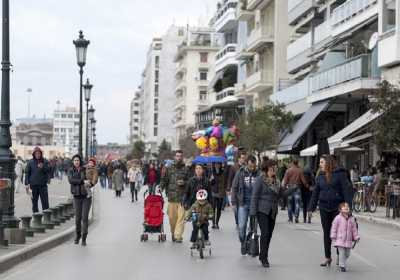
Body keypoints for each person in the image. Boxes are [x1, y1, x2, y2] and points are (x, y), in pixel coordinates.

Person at [309, 155, 353, 267]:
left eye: (322, 162)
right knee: (327, 233)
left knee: (339, 233)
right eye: (320, 162)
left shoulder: (340, 174)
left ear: (328, 163)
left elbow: (346, 191)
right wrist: (311, 208)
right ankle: (327, 257)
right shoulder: (320, 176)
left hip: (338, 208)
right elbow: (315, 193)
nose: (320, 164)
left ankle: (340, 256)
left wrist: (348, 207)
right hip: (324, 207)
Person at [250, 160, 296, 267]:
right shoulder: (260, 180)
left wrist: (292, 189)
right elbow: (255, 196)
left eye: (275, 169)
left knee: (269, 235)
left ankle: (263, 255)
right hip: (262, 210)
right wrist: (253, 212)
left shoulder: (277, 181)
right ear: (266, 170)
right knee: (265, 233)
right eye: (271, 169)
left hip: (273, 211)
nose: (274, 171)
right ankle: (264, 258)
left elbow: (281, 194)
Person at [231, 155, 260, 255]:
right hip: (243, 204)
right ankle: (243, 242)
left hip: (255, 205)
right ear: (247, 164)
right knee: (242, 226)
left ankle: (248, 243)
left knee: (252, 228)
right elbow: (234, 187)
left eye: (254, 166)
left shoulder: (259, 174)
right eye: (251, 166)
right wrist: (234, 202)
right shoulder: (240, 172)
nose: (252, 168)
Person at [160, 150, 189, 243]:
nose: (179, 158)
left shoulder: (186, 169)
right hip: (171, 198)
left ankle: (178, 236)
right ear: (174, 157)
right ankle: (173, 233)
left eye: (180, 156)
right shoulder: (169, 168)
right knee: (172, 219)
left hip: (182, 198)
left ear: (182, 157)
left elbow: (190, 182)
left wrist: (184, 182)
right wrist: (161, 187)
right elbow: (164, 180)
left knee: (181, 219)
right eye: (177, 156)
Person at [68, 154, 94, 246]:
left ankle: (84, 238)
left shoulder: (85, 169)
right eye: (75, 160)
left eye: (78, 160)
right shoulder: (70, 170)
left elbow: (91, 179)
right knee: (77, 218)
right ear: (73, 162)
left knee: (84, 218)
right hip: (76, 197)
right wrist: (82, 181)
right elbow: (71, 180)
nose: (76, 162)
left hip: (86, 196)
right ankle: (78, 235)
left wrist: (90, 183)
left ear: (80, 161)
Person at [330, 202, 360, 272]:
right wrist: (333, 235)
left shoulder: (352, 219)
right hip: (340, 239)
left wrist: (356, 237)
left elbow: (354, 229)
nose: (346, 207)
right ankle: (342, 265)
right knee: (342, 253)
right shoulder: (338, 218)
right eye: (344, 206)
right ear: (340, 210)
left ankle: (342, 261)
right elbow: (334, 227)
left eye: (347, 207)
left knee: (347, 254)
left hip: (348, 240)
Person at [24, 147, 51, 213]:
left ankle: (46, 217)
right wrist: (27, 183)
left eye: (39, 153)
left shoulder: (45, 161)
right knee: (34, 203)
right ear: (34, 154)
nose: (38, 155)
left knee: (45, 203)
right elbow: (27, 173)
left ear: (41, 154)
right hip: (33, 186)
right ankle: (36, 217)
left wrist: (43, 167)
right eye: (36, 153)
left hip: (43, 185)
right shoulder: (30, 162)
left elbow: (49, 170)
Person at [282, 158, 308, 223]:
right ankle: (296, 217)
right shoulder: (300, 171)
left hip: (290, 188)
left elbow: (285, 181)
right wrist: (307, 186)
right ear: (297, 163)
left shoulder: (288, 171)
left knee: (289, 204)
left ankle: (290, 218)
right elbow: (303, 181)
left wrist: (284, 189)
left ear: (292, 163)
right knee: (297, 204)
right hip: (297, 188)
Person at [227, 152, 247, 229]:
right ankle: (237, 222)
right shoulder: (233, 167)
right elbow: (230, 178)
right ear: (238, 158)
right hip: (235, 190)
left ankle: (242, 222)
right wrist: (228, 188)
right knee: (236, 208)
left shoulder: (246, 167)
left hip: (244, 191)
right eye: (242, 158)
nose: (243, 159)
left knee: (242, 207)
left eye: (244, 158)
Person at [210, 163, 226, 229]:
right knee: (213, 208)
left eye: (218, 164)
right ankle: (213, 223)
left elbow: (225, 182)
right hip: (213, 192)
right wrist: (211, 179)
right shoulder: (212, 172)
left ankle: (217, 223)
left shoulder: (223, 172)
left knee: (219, 209)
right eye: (216, 164)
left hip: (221, 193)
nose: (217, 165)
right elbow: (210, 183)